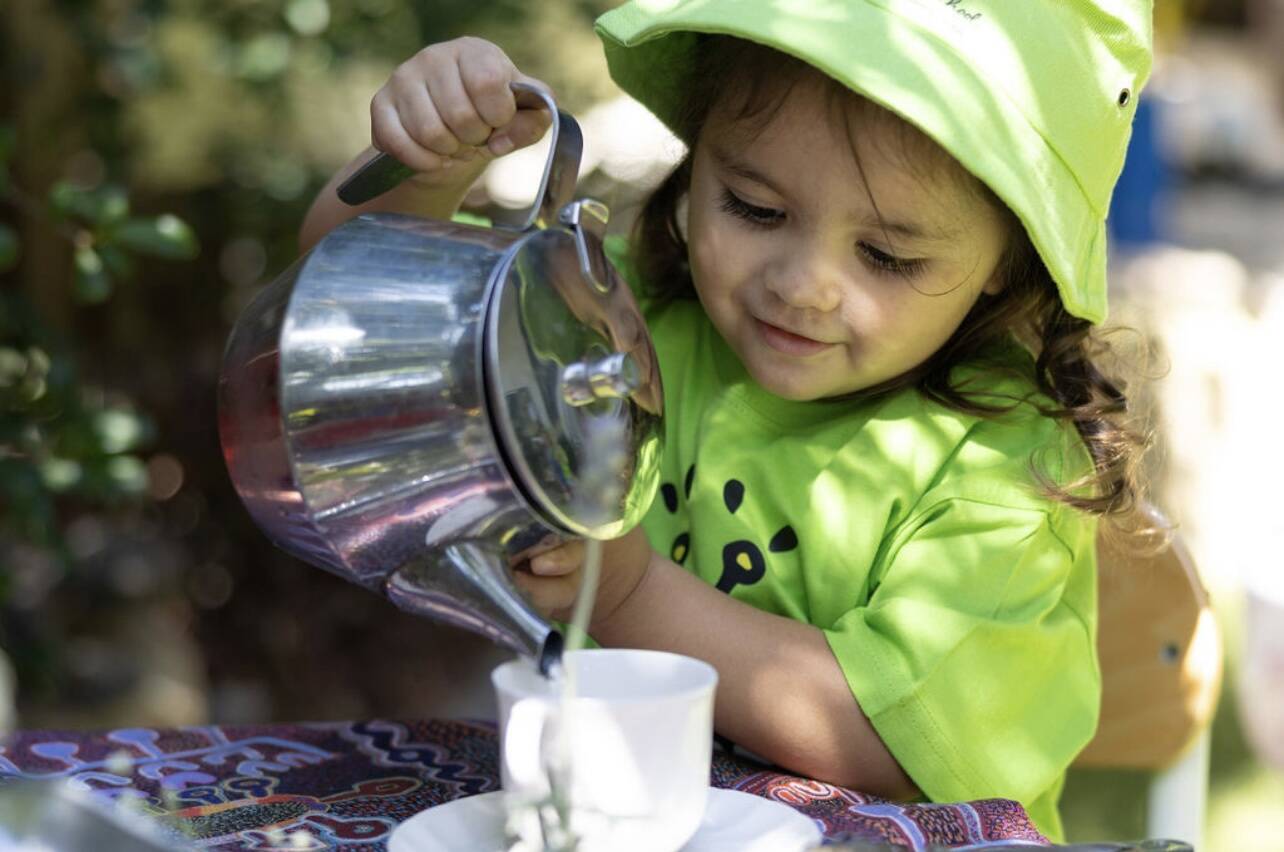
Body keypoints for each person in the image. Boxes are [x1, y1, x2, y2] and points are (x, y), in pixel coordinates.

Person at [299, 2, 1154, 840]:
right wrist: (426, 167)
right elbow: (355, 317)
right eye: (754, 207)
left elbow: (893, 744)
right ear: (697, 157)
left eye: (887, 255)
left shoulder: (1009, 464)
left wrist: (627, 588)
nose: (803, 284)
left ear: (1012, 256)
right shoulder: (618, 321)